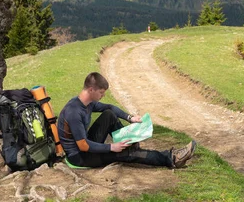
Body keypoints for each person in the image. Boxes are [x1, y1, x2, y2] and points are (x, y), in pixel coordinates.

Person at [58, 72, 196, 168]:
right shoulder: (74, 112)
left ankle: (130, 144)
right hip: (80, 157)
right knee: (124, 153)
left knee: (109, 114)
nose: (103, 95)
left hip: (87, 145)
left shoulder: (86, 103)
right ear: (91, 89)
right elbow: (83, 146)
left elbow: (110, 107)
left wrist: (130, 118)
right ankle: (172, 158)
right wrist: (112, 147)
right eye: (101, 92)